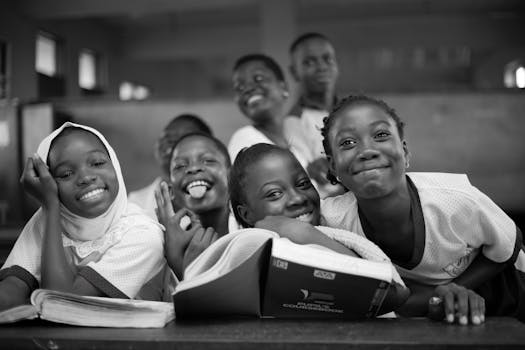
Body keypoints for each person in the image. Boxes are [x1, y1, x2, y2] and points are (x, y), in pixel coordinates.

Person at [320, 94, 525, 324]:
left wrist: (451, 289)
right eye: (347, 143)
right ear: (333, 165)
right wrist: (436, 297)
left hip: (507, 287)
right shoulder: (333, 219)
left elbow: (509, 244)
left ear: (405, 152)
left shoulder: (455, 199)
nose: (367, 151)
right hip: (431, 308)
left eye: (381, 135)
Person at [0, 122, 172, 310]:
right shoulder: (44, 221)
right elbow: (12, 289)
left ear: (114, 164)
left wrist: (50, 205)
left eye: (97, 163)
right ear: (47, 182)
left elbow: (62, 304)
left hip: (132, 339)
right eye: (65, 174)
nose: (86, 177)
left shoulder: (143, 233)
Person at [228, 143, 410, 315]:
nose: (297, 198)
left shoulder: (333, 233)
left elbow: (394, 293)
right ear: (246, 214)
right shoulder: (242, 258)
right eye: (274, 194)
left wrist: (304, 234)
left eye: (303, 184)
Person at [155, 132, 239, 280]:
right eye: (180, 166)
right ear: (171, 190)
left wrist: (182, 267)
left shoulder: (252, 235)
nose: (193, 169)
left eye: (207, 161)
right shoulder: (161, 246)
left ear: (231, 175)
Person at [228, 54, 312, 169]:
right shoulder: (245, 139)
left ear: (284, 88)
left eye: (258, 79)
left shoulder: (298, 151)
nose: (248, 89)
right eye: (240, 87)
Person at [287, 32, 345, 198]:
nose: (322, 67)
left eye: (328, 59)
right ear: (294, 72)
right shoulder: (293, 122)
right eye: (309, 62)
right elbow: (316, 184)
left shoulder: (350, 111)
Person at [128, 114, 213, 219]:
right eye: (167, 138)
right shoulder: (135, 202)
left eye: (182, 139)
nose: (170, 145)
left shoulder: (217, 201)